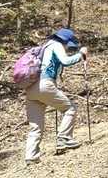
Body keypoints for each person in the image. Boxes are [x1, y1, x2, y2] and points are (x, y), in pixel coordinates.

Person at [24, 27, 89, 163]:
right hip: (44, 84)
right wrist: (81, 54)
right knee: (70, 108)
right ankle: (64, 138)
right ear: (65, 41)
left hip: (31, 88)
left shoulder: (44, 47)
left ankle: (31, 156)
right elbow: (65, 61)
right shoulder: (57, 45)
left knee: (35, 126)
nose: (67, 47)